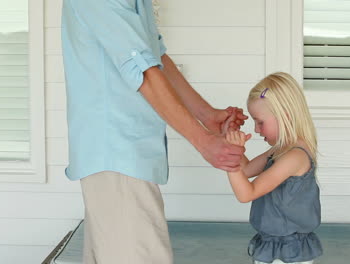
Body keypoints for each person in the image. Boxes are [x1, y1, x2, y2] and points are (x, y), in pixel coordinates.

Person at [60, 0, 248, 263]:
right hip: (116, 156)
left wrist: (208, 116)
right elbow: (143, 71)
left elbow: (155, 56)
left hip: (124, 158)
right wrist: (204, 142)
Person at [223, 72, 323, 264]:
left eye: (260, 122)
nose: (256, 129)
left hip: (288, 251)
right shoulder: (279, 150)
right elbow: (245, 170)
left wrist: (231, 161)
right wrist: (231, 141)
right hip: (272, 243)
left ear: (285, 116)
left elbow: (246, 193)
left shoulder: (295, 156)